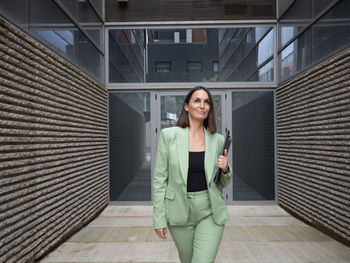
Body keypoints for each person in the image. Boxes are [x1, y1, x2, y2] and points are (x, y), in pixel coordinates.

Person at [153, 86, 232, 263]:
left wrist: (226, 169)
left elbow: (222, 182)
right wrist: (159, 218)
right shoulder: (168, 136)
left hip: (210, 210)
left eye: (207, 102)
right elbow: (159, 180)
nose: (202, 105)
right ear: (187, 106)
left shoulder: (217, 139)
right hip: (179, 210)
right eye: (197, 100)